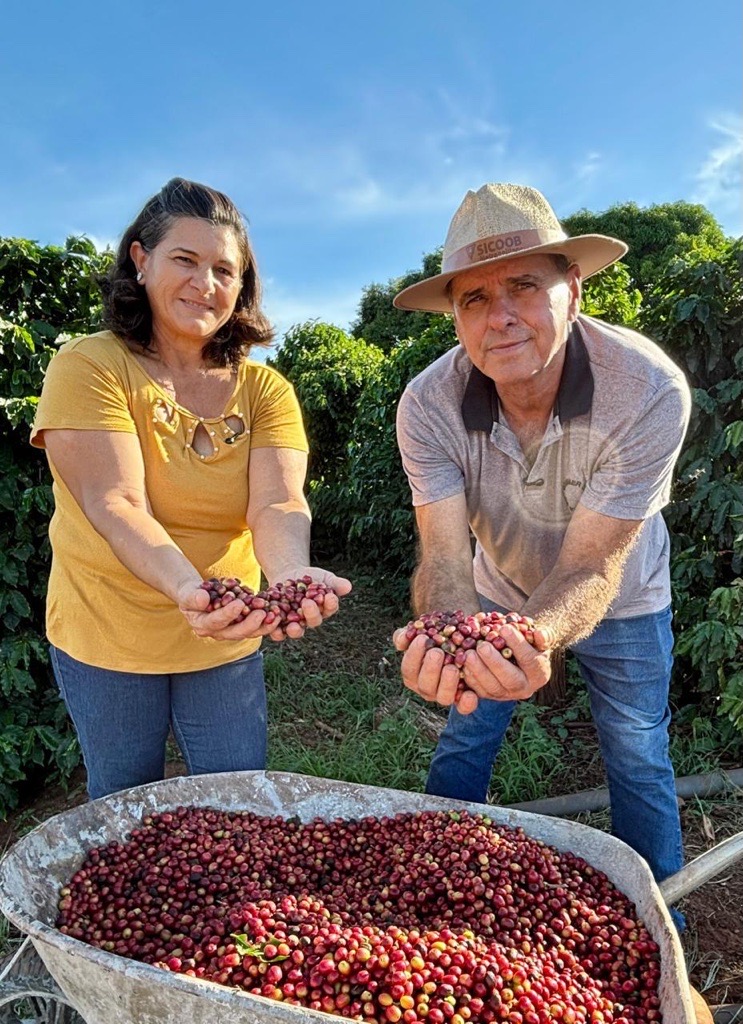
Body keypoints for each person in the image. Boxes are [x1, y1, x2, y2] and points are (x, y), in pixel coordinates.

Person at [392, 182, 691, 905]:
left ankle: (663, 929)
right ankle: (428, 889)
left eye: (523, 286)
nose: (500, 318)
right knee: (464, 735)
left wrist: (532, 638)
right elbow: (442, 554)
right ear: (455, 318)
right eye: (473, 299)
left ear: (573, 289)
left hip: (624, 595)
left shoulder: (646, 388)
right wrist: (449, 633)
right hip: (495, 590)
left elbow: (591, 563)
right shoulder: (427, 405)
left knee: (636, 752)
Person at [31, 177, 351, 801]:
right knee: (126, 799)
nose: (206, 284)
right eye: (186, 260)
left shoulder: (266, 391)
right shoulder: (89, 365)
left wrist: (288, 574)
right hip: (109, 629)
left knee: (237, 797)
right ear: (141, 260)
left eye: (225, 270)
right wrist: (189, 588)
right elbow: (115, 501)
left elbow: (278, 501)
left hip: (228, 630)